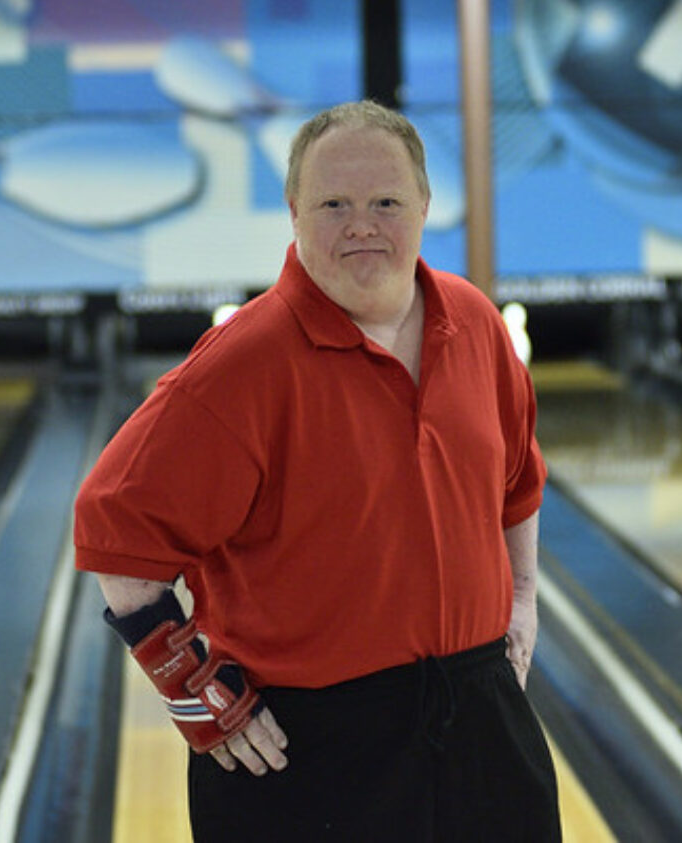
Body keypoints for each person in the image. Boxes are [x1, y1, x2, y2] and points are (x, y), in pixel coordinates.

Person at [72, 100, 561, 842]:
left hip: (481, 728)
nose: (362, 224)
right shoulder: (242, 363)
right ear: (294, 210)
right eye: (335, 203)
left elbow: (518, 482)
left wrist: (520, 599)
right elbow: (111, 521)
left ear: (425, 206)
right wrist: (195, 693)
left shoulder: (475, 323)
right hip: (309, 751)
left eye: (386, 202)